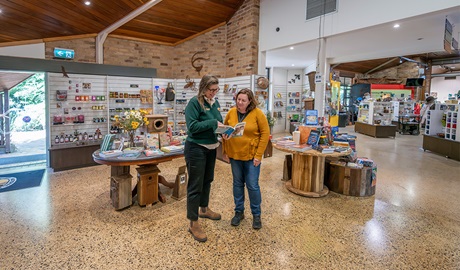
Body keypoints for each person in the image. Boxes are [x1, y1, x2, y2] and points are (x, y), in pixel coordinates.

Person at [184, 74, 225, 242]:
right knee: (195, 185)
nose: (214, 93)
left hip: (211, 147)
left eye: (216, 90)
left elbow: (219, 122)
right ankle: (193, 223)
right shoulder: (194, 103)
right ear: (203, 88)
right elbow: (192, 127)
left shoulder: (214, 103)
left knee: (207, 180)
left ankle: (204, 208)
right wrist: (214, 123)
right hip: (196, 148)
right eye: (211, 90)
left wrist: (225, 132)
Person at [222, 88, 270, 230]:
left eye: (243, 100)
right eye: (238, 99)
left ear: (250, 101)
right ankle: (239, 212)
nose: (240, 102)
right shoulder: (231, 112)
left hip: (251, 157)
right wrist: (226, 150)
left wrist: (258, 155)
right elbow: (225, 130)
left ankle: (256, 215)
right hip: (235, 156)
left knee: (252, 185)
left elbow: (265, 134)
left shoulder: (257, 114)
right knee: (237, 184)